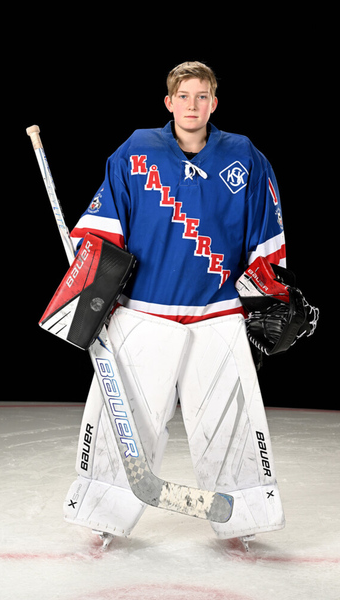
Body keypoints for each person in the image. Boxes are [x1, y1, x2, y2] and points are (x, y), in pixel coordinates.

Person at [63, 61, 286, 549]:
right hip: (143, 311)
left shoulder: (244, 155)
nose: (192, 105)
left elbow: (266, 230)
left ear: (214, 103)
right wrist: (90, 281)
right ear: (168, 102)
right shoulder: (136, 150)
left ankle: (243, 514)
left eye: (201, 96)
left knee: (230, 419)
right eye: (183, 96)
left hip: (218, 311)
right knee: (125, 417)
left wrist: (271, 294)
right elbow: (104, 225)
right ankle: (103, 512)